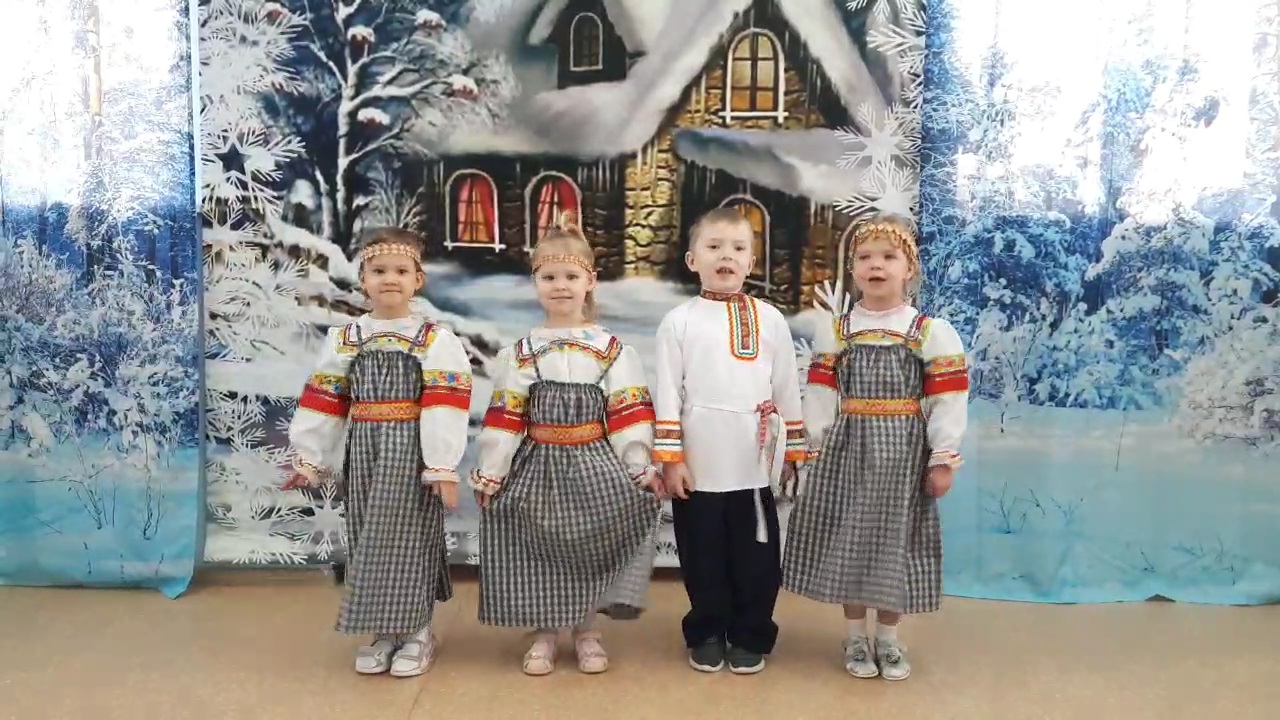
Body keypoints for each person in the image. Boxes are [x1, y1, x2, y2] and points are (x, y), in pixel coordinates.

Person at [470, 215, 663, 676]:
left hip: (594, 460)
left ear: (590, 281)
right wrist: (493, 471)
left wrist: (639, 466)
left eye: (571, 277)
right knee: (540, 546)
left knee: (588, 546)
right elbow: (506, 416)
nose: (560, 286)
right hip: (538, 463)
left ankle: (587, 630)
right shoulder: (522, 352)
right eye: (549, 277)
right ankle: (545, 631)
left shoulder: (610, 349)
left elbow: (628, 413)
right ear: (535, 282)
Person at [782, 215, 969, 682]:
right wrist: (811, 445)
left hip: (904, 455)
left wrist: (943, 456)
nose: (876, 266)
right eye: (865, 257)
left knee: (894, 543)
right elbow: (821, 394)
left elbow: (948, 399)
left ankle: (887, 637)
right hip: (849, 450)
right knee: (852, 538)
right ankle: (854, 636)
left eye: (889, 257)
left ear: (910, 268)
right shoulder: (838, 330)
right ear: (853, 269)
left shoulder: (929, 331)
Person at [283, 228, 472, 678]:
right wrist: (310, 457)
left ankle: (418, 630)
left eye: (401, 271)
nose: (390, 279)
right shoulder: (347, 338)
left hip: (412, 454)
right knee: (369, 540)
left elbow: (445, 405)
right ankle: (384, 630)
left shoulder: (433, 340)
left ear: (418, 280)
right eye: (379, 270)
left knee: (409, 539)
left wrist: (441, 466)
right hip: (365, 453)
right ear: (363, 280)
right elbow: (326, 401)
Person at [653, 207, 806, 675]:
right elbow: (667, 391)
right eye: (714, 246)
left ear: (751, 262)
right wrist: (671, 458)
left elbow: (786, 388)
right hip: (699, 460)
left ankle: (749, 633)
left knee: (756, 556)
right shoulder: (678, 321)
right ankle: (706, 631)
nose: (727, 256)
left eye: (738, 248)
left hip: (752, 461)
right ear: (692, 259)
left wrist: (792, 450)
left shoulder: (771, 319)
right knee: (702, 554)